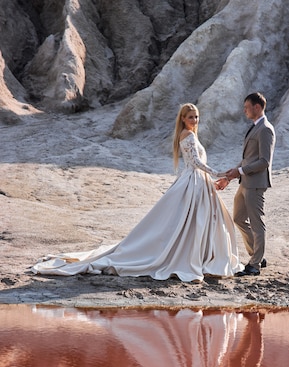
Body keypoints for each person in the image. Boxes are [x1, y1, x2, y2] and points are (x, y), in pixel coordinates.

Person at [31, 103, 243, 282]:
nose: (195, 120)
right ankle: (192, 256)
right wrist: (219, 173)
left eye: (196, 117)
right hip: (193, 181)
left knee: (201, 220)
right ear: (183, 119)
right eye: (190, 117)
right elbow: (196, 162)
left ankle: (200, 256)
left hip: (197, 182)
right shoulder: (186, 135)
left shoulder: (191, 134)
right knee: (191, 220)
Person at [222, 92, 276, 277]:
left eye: (247, 107)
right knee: (238, 218)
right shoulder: (255, 127)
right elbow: (248, 158)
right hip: (245, 182)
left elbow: (264, 161)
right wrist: (232, 174)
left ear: (257, 107)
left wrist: (241, 171)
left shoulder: (266, 129)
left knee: (256, 223)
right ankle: (257, 255)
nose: (244, 110)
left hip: (255, 183)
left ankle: (254, 265)